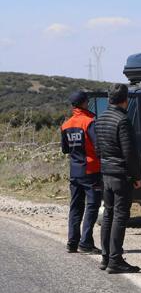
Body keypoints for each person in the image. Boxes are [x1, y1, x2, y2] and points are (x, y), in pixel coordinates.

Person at [95, 84, 141, 274]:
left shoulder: (101, 119)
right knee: (120, 216)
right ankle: (115, 260)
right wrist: (137, 176)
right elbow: (129, 152)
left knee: (108, 214)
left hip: (106, 172)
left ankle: (106, 257)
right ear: (126, 99)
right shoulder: (123, 120)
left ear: (109, 99)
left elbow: (98, 148)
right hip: (120, 174)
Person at [60, 91, 102, 254]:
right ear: (84, 103)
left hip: (75, 171)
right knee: (92, 206)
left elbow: (65, 149)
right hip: (91, 170)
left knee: (76, 206)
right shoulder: (89, 122)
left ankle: (72, 242)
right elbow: (98, 146)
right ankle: (85, 242)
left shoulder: (66, 125)